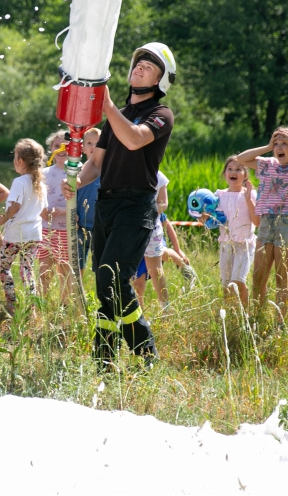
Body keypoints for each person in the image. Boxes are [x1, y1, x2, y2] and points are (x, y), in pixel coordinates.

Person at [63, 42, 178, 366]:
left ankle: (146, 354)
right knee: (104, 283)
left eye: (149, 67)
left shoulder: (160, 115)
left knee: (111, 278)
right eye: (138, 63)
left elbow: (133, 138)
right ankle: (104, 360)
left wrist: (107, 106)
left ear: (160, 81)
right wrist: (76, 181)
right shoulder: (120, 116)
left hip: (136, 205)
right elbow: (96, 163)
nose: (139, 68)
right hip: (106, 205)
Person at [236, 127, 288, 322]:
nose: (280, 147)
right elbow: (241, 158)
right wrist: (267, 146)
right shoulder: (267, 164)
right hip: (266, 224)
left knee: (282, 279)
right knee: (258, 277)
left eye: (286, 144)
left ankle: (279, 323)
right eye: (277, 144)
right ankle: (257, 318)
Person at [0, 138, 47, 316]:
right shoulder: (40, 184)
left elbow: (14, 208)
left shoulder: (19, 182)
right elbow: (44, 212)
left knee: (3, 267)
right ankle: (31, 308)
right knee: (27, 270)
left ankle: (12, 303)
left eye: (15, 157)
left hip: (16, 235)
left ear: (20, 161)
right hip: (34, 235)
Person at [210, 156, 259, 307]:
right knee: (226, 283)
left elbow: (257, 221)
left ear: (245, 175)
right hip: (225, 244)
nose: (234, 172)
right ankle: (230, 313)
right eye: (230, 169)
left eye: (239, 169)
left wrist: (248, 199)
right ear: (224, 174)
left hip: (244, 245)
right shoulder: (218, 195)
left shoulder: (251, 194)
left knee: (238, 280)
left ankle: (245, 312)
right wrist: (204, 218)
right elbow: (213, 221)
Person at [38, 130, 75, 304]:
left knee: (65, 271)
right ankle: (41, 303)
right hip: (45, 227)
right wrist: (41, 210)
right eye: (56, 145)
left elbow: (82, 202)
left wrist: (63, 209)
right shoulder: (43, 173)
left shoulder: (77, 172)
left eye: (66, 145)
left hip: (66, 229)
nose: (61, 148)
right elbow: (35, 197)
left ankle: (64, 305)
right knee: (44, 269)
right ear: (50, 149)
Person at [133, 170, 171, 310]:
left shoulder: (159, 176)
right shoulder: (128, 173)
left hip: (152, 230)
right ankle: (137, 312)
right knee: (135, 278)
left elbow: (164, 203)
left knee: (156, 271)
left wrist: (146, 209)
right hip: (130, 231)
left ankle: (165, 309)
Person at [76, 127, 101, 272]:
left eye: (98, 143)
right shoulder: (78, 171)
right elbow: (71, 197)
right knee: (77, 264)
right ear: (83, 147)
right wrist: (73, 217)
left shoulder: (108, 170)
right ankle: (78, 293)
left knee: (100, 266)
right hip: (81, 225)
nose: (94, 147)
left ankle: (102, 293)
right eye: (90, 143)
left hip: (101, 226)